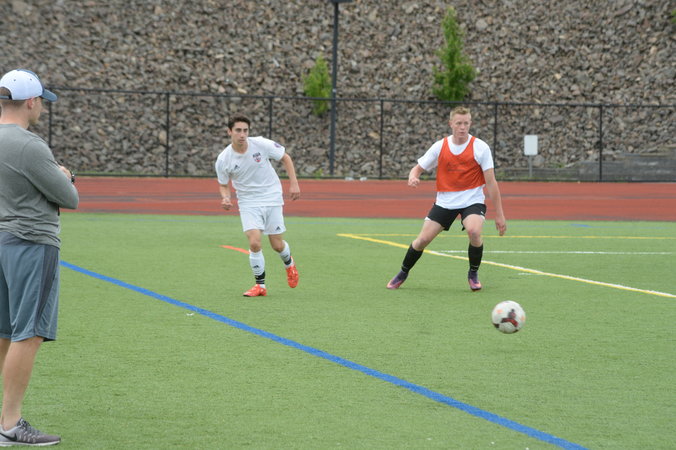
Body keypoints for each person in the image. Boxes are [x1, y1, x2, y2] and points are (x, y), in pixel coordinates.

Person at [0, 69, 79, 446]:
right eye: (41, 102)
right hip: (32, 241)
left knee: (4, 331)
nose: (42, 108)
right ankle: (10, 423)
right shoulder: (30, 145)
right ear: (31, 102)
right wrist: (66, 175)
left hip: (2, 239)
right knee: (28, 332)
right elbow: (69, 197)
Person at [387, 106, 506, 291]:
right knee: (422, 240)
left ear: (470, 123)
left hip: (472, 200)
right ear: (451, 124)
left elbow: (491, 182)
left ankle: (473, 273)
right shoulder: (440, 146)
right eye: (458, 123)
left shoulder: (481, 147)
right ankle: (403, 272)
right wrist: (413, 177)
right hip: (445, 202)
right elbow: (417, 168)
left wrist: (500, 214)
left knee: (474, 231)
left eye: (466, 123)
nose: (462, 127)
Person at [215, 114, 301, 297]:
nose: (242, 134)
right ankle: (260, 286)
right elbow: (223, 184)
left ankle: (289, 264)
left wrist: (294, 183)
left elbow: (285, 158)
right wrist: (226, 198)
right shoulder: (223, 159)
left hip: (271, 196)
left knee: (277, 245)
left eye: (245, 130)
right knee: (254, 242)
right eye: (238, 130)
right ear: (229, 132)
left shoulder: (261, 144)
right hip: (248, 202)